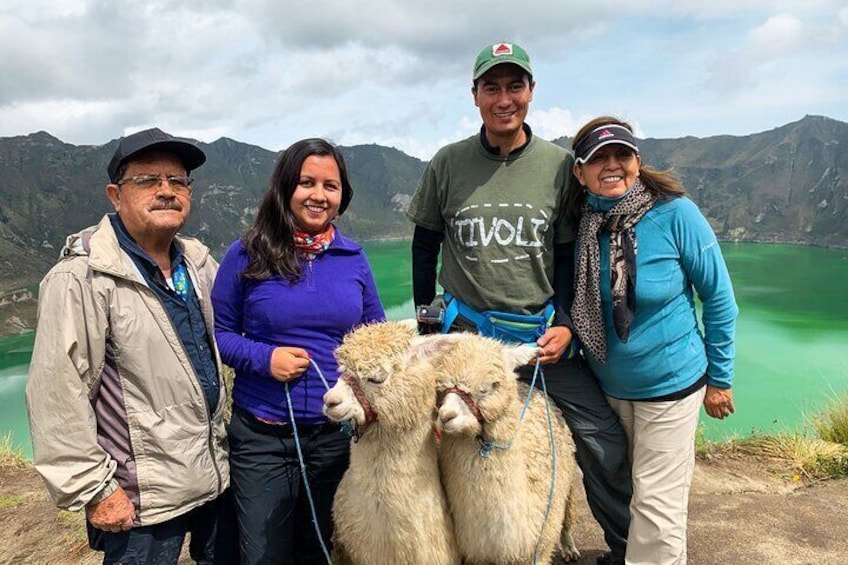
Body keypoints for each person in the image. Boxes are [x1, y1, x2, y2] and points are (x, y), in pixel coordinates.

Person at [406, 41, 632, 565]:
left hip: (539, 337)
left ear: (531, 92)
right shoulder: (448, 163)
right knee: (432, 441)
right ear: (476, 96)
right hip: (469, 338)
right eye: (492, 87)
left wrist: (570, 325)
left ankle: (628, 550)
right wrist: (425, 322)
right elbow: (424, 243)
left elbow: (568, 253)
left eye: (515, 86)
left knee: (602, 442)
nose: (503, 98)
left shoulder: (557, 166)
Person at [25, 128, 230, 564]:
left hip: (214, 476)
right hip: (140, 496)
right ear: (116, 196)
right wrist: (93, 489)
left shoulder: (196, 262)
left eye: (177, 181)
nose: (166, 191)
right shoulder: (81, 277)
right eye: (148, 181)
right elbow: (57, 391)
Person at [566, 116, 739, 564]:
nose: (612, 165)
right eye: (597, 158)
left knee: (657, 509)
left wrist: (720, 378)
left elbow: (719, 298)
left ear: (638, 162)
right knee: (624, 491)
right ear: (578, 171)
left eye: (621, 155)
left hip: (671, 386)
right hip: (608, 387)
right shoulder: (582, 223)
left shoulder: (676, 214)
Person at [211, 138, 385, 564]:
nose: (319, 195)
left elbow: (378, 338)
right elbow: (220, 333)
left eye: (331, 185)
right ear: (285, 188)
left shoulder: (353, 258)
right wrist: (264, 359)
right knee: (264, 555)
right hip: (262, 440)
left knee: (325, 548)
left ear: (343, 195)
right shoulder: (247, 253)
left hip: (335, 437)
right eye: (307, 182)